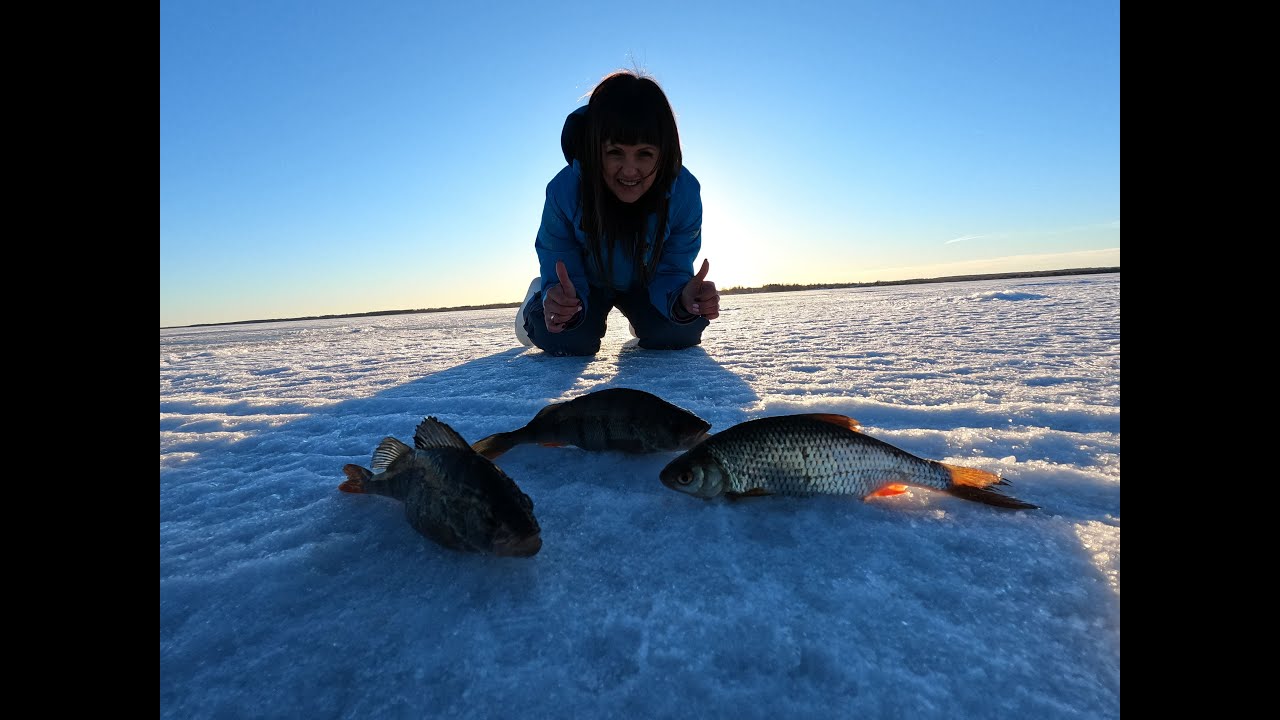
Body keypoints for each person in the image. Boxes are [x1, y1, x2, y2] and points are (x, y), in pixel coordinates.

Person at [515, 70, 720, 356]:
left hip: (646, 284)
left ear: (664, 152)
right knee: (567, 339)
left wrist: (682, 299)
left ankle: (647, 321)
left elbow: (673, 267)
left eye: (645, 154)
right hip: (585, 285)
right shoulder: (564, 191)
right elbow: (557, 254)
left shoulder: (684, 192)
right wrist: (558, 298)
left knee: (678, 331)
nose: (629, 170)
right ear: (594, 148)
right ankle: (535, 303)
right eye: (615, 153)